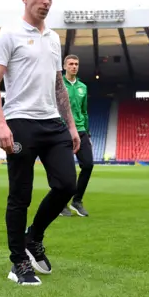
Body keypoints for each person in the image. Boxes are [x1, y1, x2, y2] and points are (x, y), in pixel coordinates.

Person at [0, 0, 81, 286]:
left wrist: (70, 125)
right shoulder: (9, 34)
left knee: (67, 184)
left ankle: (34, 237)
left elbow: (58, 85)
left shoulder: (53, 38)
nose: (47, 1)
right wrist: (0, 122)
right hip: (20, 122)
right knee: (20, 196)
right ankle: (18, 263)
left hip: (53, 123)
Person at [59, 55, 94, 218]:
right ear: (64, 66)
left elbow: (84, 111)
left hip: (81, 130)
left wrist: (87, 132)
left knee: (88, 165)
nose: (74, 66)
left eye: (76, 64)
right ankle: (61, 204)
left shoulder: (83, 87)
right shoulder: (58, 85)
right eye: (71, 64)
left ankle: (77, 200)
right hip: (63, 130)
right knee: (66, 171)